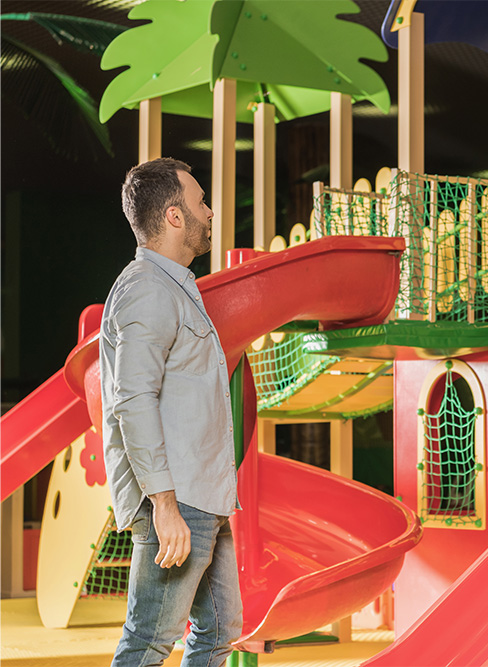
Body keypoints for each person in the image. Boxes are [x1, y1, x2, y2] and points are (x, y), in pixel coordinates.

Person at [101, 157, 242, 666]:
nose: (210, 211)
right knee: (150, 640)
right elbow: (132, 399)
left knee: (220, 630)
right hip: (176, 499)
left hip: (203, 497)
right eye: (201, 200)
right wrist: (163, 504)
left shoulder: (176, 285)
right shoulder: (148, 289)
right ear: (175, 216)